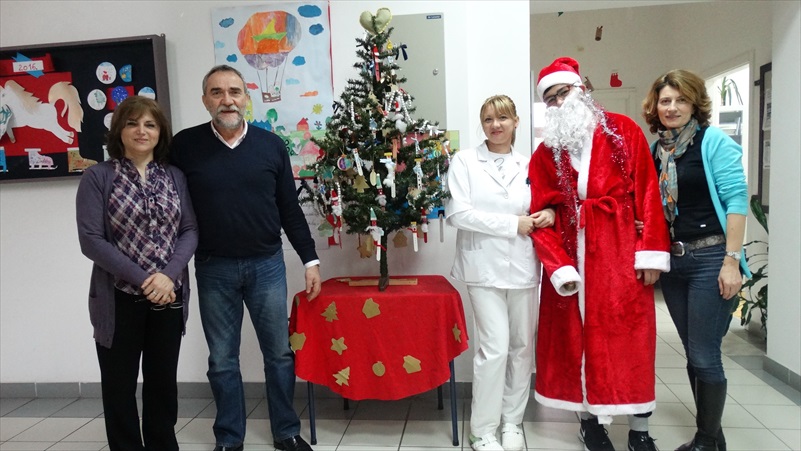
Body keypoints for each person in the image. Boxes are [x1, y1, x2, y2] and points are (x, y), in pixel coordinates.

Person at [170, 64, 321, 451]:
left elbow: (289, 208)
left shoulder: (271, 145)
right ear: (205, 100)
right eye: (217, 92)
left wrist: (310, 260)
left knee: (279, 355)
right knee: (222, 359)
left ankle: (286, 431)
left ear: (246, 98)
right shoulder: (184, 147)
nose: (227, 100)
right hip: (213, 268)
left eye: (234, 92)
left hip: (266, 265)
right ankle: (229, 437)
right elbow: (170, 207)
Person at [528, 57, 670, 451]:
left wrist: (649, 253)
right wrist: (559, 267)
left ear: (582, 89)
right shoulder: (546, 152)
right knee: (577, 343)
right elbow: (540, 216)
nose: (559, 102)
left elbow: (648, 193)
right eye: (550, 99)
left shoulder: (623, 131)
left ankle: (640, 429)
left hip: (620, 255)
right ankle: (590, 424)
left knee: (632, 342)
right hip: (573, 258)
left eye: (564, 92)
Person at [76, 95, 198, 451]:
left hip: (168, 297)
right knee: (119, 387)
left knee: (163, 385)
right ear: (119, 130)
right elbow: (91, 240)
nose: (141, 131)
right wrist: (146, 279)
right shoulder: (98, 177)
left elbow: (189, 230)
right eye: (132, 123)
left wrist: (168, 275)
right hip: (118, 299)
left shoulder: (174, 176)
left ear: (160, 132)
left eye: (150, 124)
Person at [642, 69, 750, 451]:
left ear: (694, 104)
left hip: (711, 259)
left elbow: (737, 200)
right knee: (693, 354)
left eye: (681, 100)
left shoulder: (712, 141)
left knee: (705, 356)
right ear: (655, 106)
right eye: (665, 100)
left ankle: (705, 441)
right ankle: (713, 437)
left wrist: (731, 262)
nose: (672, 107)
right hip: (675, 265)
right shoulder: (658, 151)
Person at [446, 95, 554, 451]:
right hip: (483, 268)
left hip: (524, 266)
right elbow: (459, 214)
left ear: (516, 122)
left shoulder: (530, 163)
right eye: (489, 119)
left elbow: (546, 203)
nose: (496, 125)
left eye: (503, 118)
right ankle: (483, 429)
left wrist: (549, 214)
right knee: (494, 348)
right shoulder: (465, 161)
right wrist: (512, 224)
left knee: (522, 347)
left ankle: (512, 422)